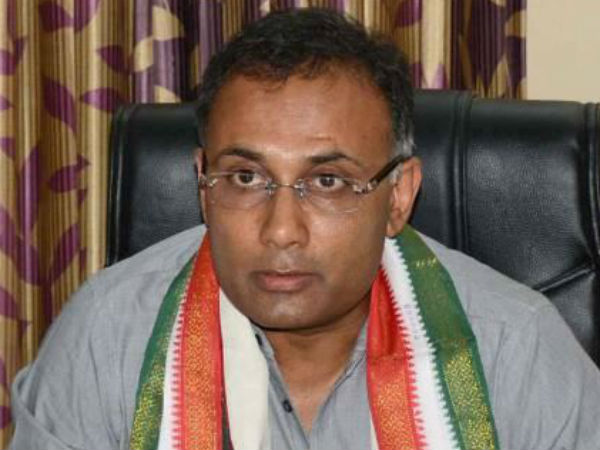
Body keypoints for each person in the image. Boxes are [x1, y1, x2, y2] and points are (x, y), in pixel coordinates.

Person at [8, 8, 600, 450]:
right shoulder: (109, 337)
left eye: (328, 182)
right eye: (245, 178)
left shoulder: (513, 352)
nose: (282, 231)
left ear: (398, 195)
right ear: (201, 184)